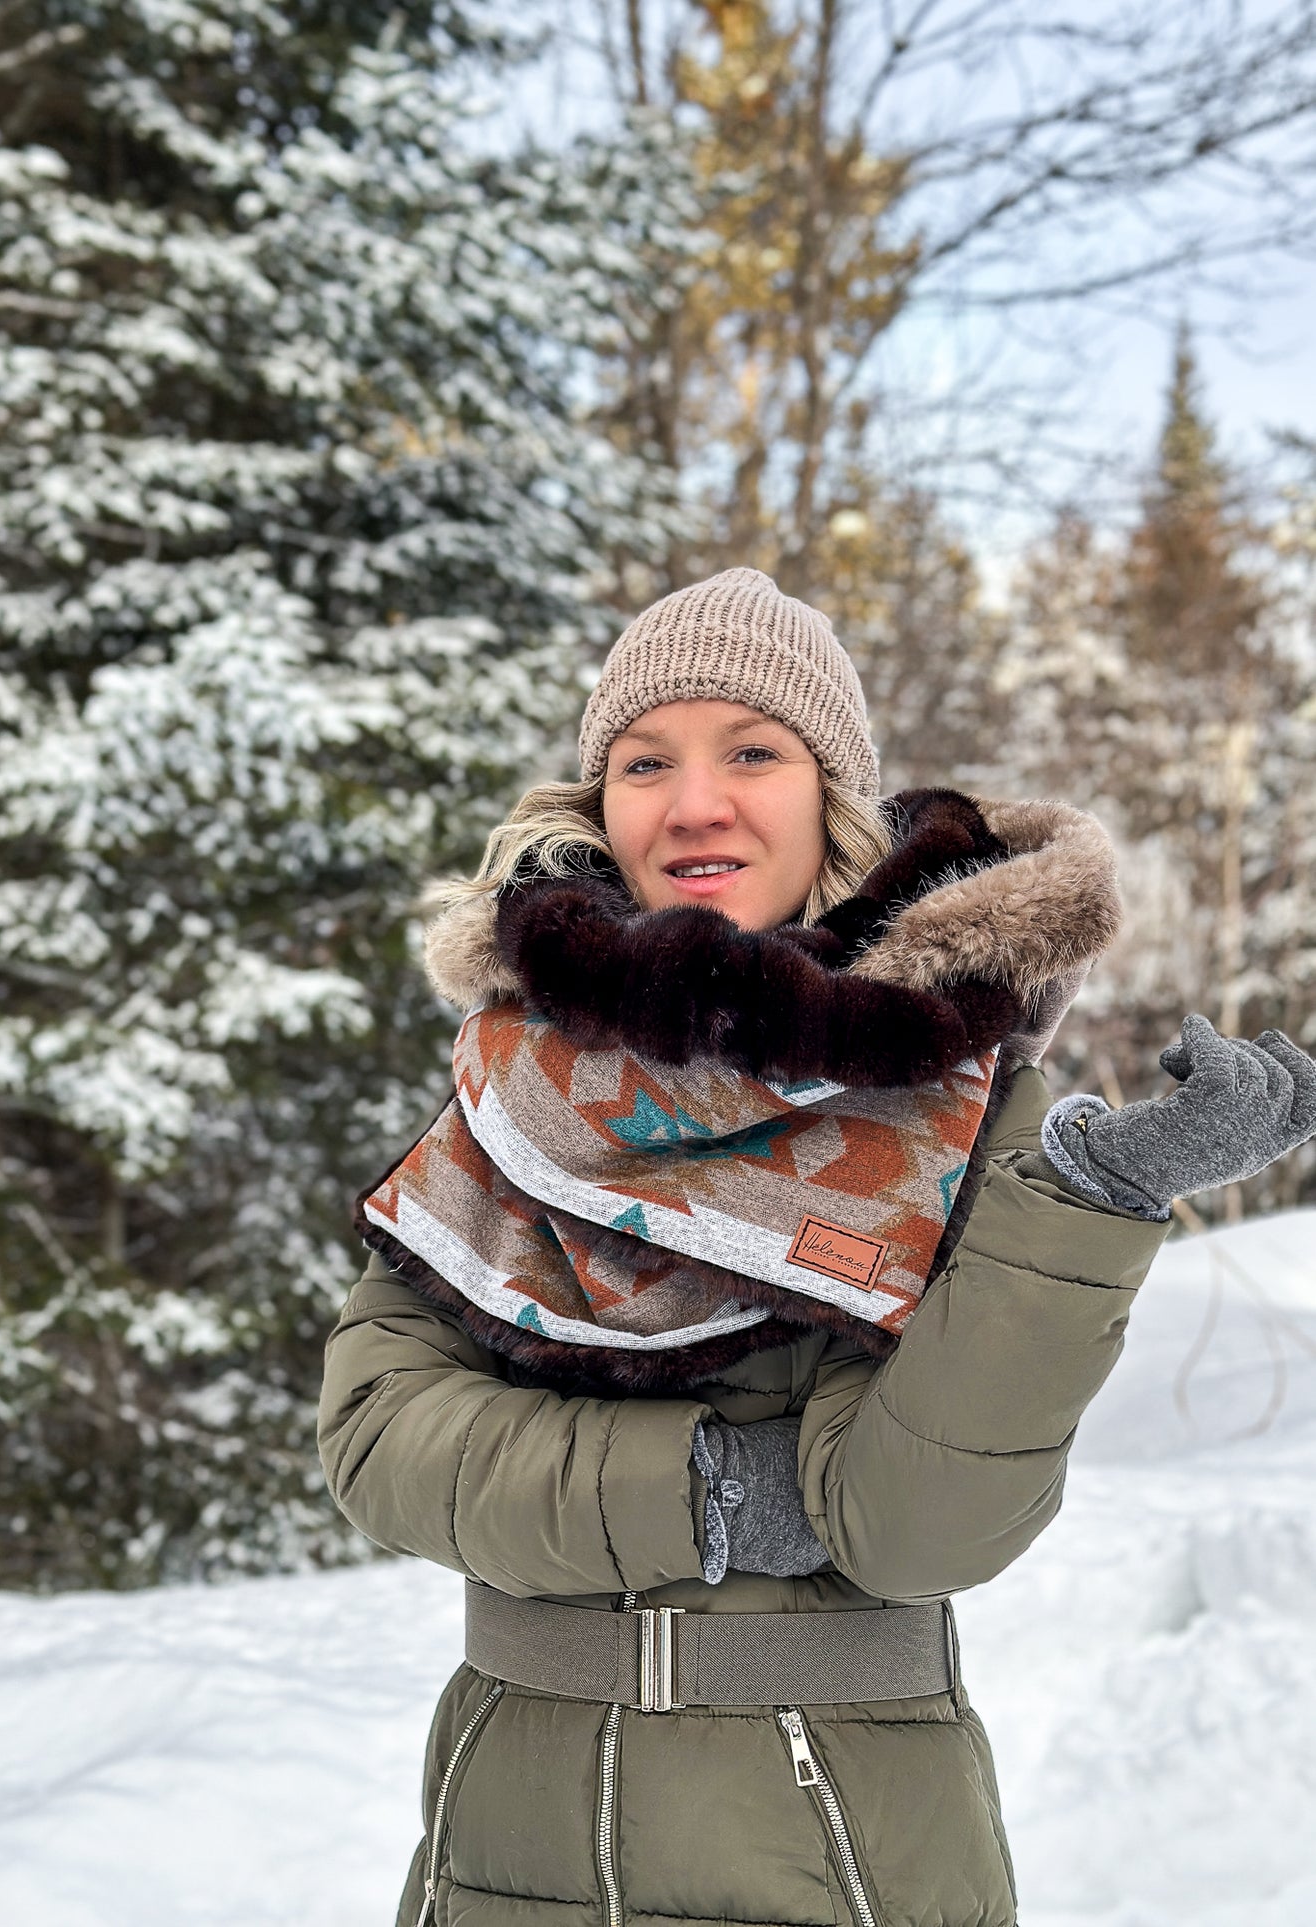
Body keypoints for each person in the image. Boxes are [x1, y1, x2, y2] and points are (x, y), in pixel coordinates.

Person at [319, 567, 1316, 1927]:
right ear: (599, 807)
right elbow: (380, 1436)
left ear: (830, 796)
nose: (692, 802)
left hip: (834, 1846)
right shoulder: (517, 1091)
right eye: (642, 761)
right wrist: (710, 1492)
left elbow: (908, 1528)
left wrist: (1086, 1206)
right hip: (502, 1848)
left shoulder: (951, 1102)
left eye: (752, 751)